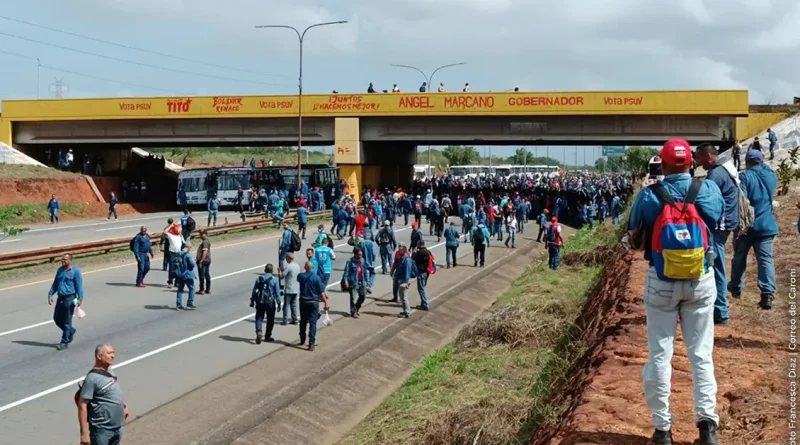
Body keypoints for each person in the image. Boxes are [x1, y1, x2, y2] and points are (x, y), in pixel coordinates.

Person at [624, 138, 722, 445]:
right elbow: (719, 223)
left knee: (659, 356)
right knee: (701, 355)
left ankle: (663, 430)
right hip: (701, 280)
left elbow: (632, 235)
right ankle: (707, 427)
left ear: (662, 165)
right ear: (691, 164)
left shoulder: (649, 196)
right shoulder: (708, 190)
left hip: (661, 281)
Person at [729, 149, 779, 310]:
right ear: (762, 161)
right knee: (766, 260)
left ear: (747, 161)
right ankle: (767, 294)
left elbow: (742, 200)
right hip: (766, 225)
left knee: (739, 258)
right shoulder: (770, 175)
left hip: (747, 226)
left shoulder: (745, 176)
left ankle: (736, 288)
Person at [695, 143, 739, 324]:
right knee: (716, 265)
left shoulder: (715, 175)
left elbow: (708, 203)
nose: (697, 162)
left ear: (708, 156)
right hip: (726, 224)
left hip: (718, 227)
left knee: (717, 267)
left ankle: (720, 312)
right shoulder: (724, 170)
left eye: (698, 158)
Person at [77, 344, 128, 445]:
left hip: (117, 428)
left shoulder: (110, 371)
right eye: (109, 353)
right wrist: (84, 433)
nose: (112, 356)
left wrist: (124, 405)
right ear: (99, 356)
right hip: (101, 431)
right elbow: (82, 405)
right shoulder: (92, 378)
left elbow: (113, 392)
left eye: (113, 353)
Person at [48, 254, 84, 350]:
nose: (62, 261)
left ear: (70, 260)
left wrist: (80, 298)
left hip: (70, 298)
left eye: (65, 260)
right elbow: (55, 283)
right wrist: (50, 294)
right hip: (60, 298)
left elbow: (79, 285)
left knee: (67, 321)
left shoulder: (75, 271)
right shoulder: (60, 270)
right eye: (62, 259)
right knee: (57, 319)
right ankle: (70, 331)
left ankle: (64, 342)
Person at [298, 261, 330, 351]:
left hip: (304, 301)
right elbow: (321, 293)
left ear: (305, 267)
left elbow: (299, 277)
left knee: (303, 321)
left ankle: (302, 338)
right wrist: (325, 303)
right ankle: (311, 342)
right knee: (313, 323)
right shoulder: (316, 278)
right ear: (312, 268)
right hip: (314, 302)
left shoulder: (300, 276)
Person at [250, 264, 281, 344]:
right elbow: (277, 293)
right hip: (270, 302)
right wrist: (279, 302)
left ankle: (259, 332)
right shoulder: (274, 280)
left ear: (265, 270)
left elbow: (254, 290)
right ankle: (267, 336)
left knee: (259, 317)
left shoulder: (259, 279)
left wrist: (252, 300)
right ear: (272, 271)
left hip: (260, 301)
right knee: (270, 319)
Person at [342, 248, 370, 317]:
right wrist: (346, 281)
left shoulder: (362, 261)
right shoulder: (350, 261)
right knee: (353, 298)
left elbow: (365, 271)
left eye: (361, 255)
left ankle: (356, 308)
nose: (360, 256)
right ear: (355, 254)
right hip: (353, 282)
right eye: (359, 255)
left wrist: (367, 281)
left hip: (362, 281)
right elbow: (346, 272)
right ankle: (353, 312)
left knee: (362, 296)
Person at [174, 242, 197, 310]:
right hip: (188, 274)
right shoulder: (188, 255)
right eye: (190, 247)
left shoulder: (178, 254)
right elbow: (193, 265)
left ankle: (178, 304)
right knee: (192, 288)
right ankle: (189, 304)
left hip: (180, 274)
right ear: (188, 246)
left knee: (180, 289)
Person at [394, 243, 414, 318]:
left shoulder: (406, 260)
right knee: (402, 297)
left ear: (404, 250)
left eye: (400, 250)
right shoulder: (401, 258)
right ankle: (405, 310)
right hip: (400, 279)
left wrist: (406, 282)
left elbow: (407, 272)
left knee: (404, 297)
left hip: (404, 281)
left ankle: (407, 312)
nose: (399, 251)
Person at [281, 253, 301, 325]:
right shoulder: (297, 266)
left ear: (288, 258)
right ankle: (295, 319)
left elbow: (282, 276)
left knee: (286, 305)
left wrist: (280, 271)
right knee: (294, 305)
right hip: (296, 288)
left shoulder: (288, 266)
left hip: (289, 288)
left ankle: (285, 320)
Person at [412, 241, 431, 311]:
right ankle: (423, 304)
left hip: (421, 272)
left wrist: (414, 252)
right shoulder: (428, 252)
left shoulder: (419, 253)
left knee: (421, 289)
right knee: (423, 287)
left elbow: (413, 258)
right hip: (427, 272)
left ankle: (425, 304)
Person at [195, 230, 212, 295]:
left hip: (204, 260)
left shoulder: (205, 242)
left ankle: (202, 289)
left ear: (205, 234)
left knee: (202, 275)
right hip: (207, 260)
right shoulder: (207, 241)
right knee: (206, 274)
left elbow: (205, 252)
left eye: (202, 234)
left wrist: (201, 261)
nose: (200, 236)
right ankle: (207, 289)